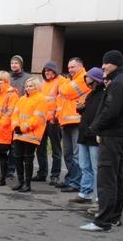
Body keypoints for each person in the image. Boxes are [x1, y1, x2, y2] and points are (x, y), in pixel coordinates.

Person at [81, 50, 123, 232]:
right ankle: (114, 218)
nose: (103, 66)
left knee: (106, 178)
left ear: (115, 63)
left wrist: (94, 128)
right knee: (116, 177)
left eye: (106, 63)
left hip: (112, 137)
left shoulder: (118, 83)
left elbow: (110, 111)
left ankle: (103, 221)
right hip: (121, 135)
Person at [56, 57, 90, 193]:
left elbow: (66, 92)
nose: (70, 69)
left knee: (76, 154)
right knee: (68, 154)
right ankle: (70, 179)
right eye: (69, 67)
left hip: (77, 121)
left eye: (73, 67)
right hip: (67, 121)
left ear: (81, 67)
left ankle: (76, 183)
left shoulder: (83, 78)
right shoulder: (71, 80)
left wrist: (63, 84)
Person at [71, 67, 104, 204]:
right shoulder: (91, 95)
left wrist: (96, 130)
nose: (89, 85)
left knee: (96, 167)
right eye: (87, 83)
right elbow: (89, 112)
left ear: (98, 80)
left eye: (91, 83)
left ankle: (98, 195)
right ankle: (85, 192)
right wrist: (81, 109)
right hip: (84, 133)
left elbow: (102, 115)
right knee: (84, 165)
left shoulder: (104, 94)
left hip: (94, 135)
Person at [11, 76, 49, 193]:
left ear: (37, 86)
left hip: (31, 135)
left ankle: (27, 184)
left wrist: (23, 128)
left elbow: (37, 118)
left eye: (31, 86)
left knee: (28, 159)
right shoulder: (22, 99)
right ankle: (20, 181)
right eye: (26, 86)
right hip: (19, 133)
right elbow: (15, 114)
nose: (28, 88)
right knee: (17, 158)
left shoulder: (41, 99)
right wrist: (16, 126)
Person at [34, 61, 65, 184]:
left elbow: (62, 101)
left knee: (56, 149)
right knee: (40, 148)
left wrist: (55, 118)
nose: (47, 73)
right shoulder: (43, 83)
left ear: (55, 71)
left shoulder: (61, 81)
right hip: (42, 121)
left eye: (49, 70)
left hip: (54, 121)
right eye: (45, 71)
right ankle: (42, 173)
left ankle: (55, 175)